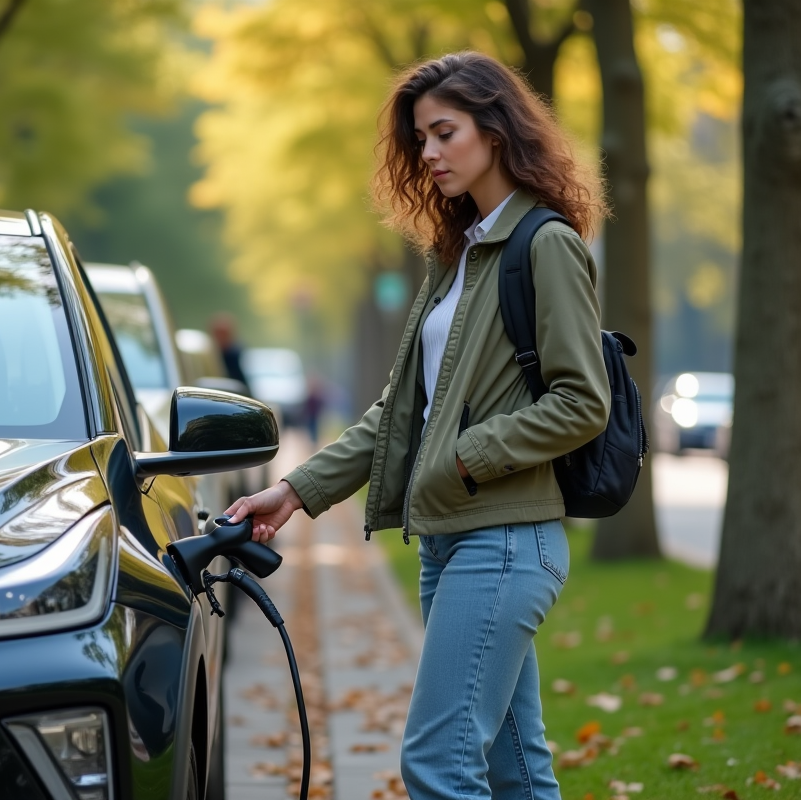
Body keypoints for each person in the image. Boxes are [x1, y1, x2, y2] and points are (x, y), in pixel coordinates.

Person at [225, 52, 609, 800]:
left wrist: (465, 458)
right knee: (515, 771)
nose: (428, 153)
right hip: (451, 542)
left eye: (444, 132)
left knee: (437, 766)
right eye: (420, 139)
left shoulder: (545, 245)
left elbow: (581, 401)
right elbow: (399, 413)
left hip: (503, 541)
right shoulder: (456, 254)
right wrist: (298, 491)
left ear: (495, 129)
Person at [209, 312, 250, 389]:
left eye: (223, 334)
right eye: (218, 334)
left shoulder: (234, 355)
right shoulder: (207, 355)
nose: (220, 338)